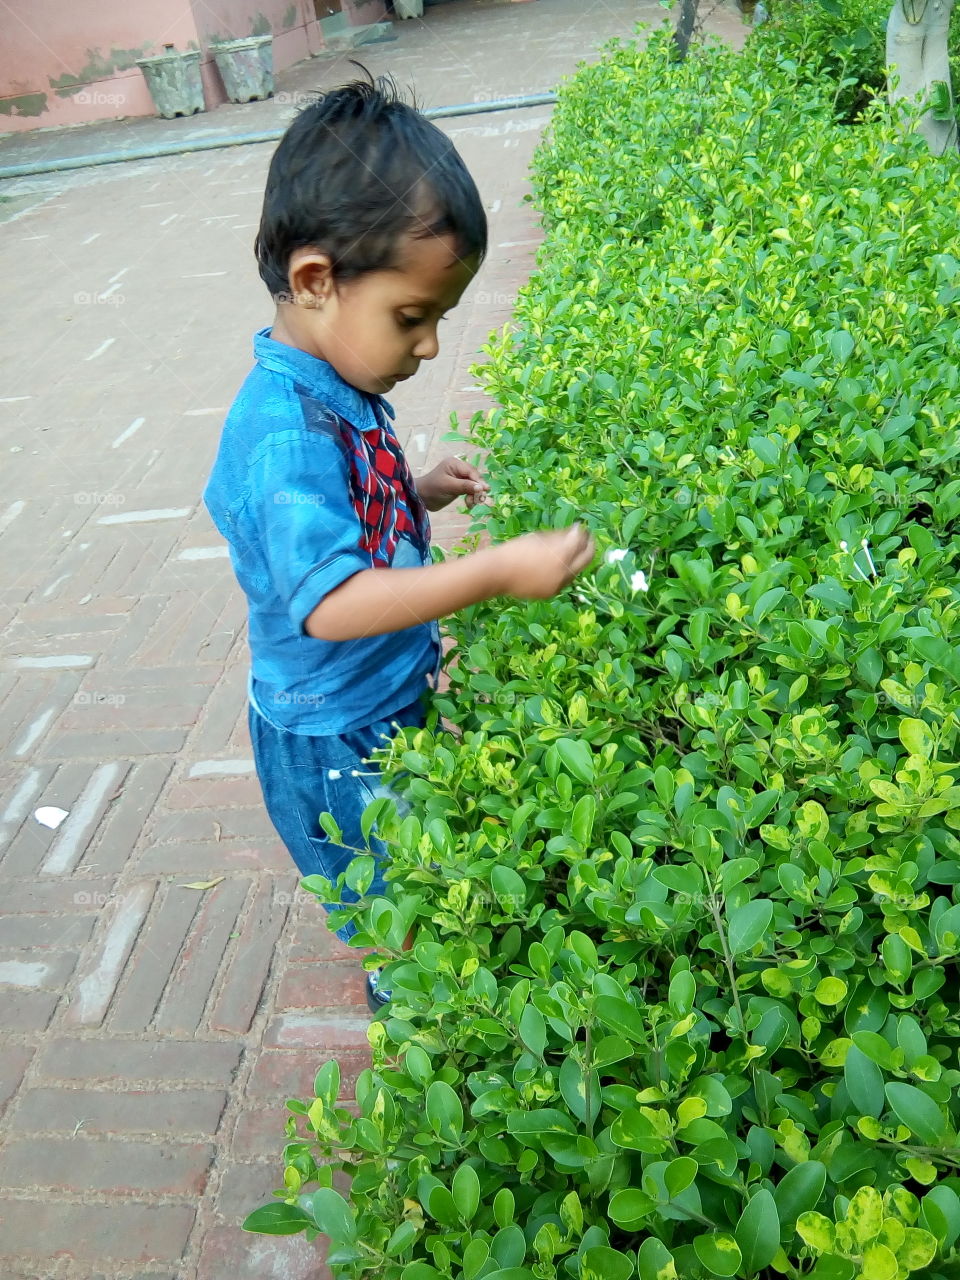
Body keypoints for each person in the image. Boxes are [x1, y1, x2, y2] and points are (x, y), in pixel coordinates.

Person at [203, 72, 595, 1011]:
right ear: (314, 280)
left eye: (439, 322)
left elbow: (346, 519)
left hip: (382, 696)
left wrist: (413, 492)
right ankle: (419, 1026)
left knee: (425, 862)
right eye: (411, 318)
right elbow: (332, 603)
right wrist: (492, 571)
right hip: (336, 730)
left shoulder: (333, 382)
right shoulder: (286, 433)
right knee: (402, 908)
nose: (425, 350)